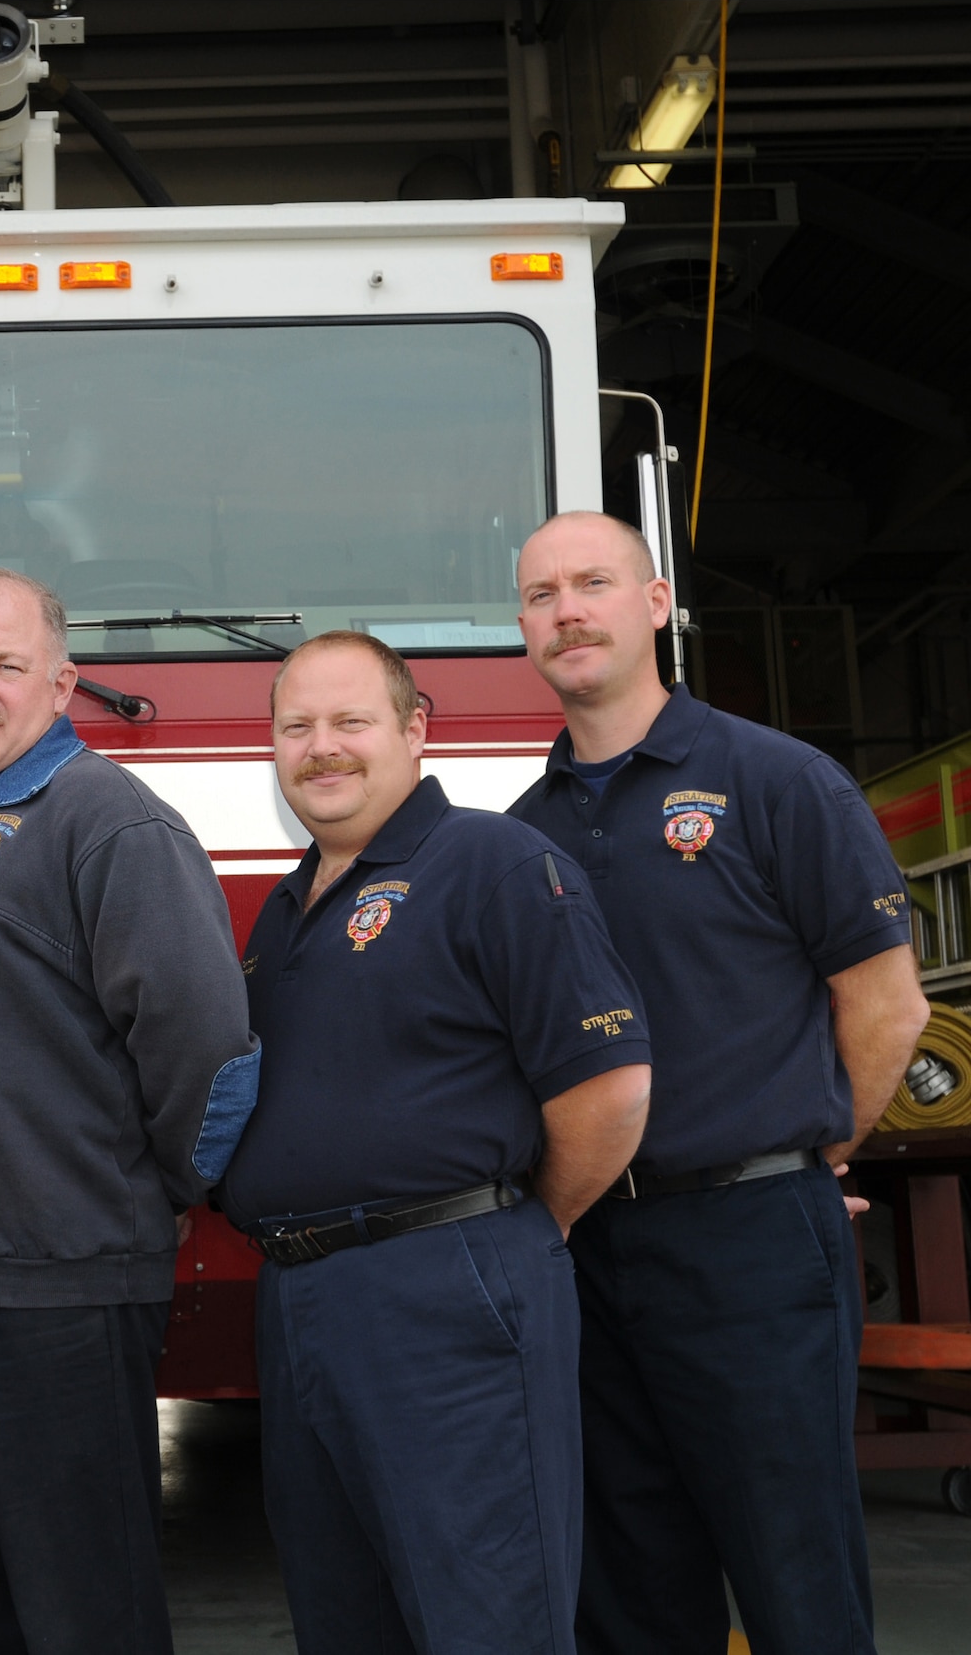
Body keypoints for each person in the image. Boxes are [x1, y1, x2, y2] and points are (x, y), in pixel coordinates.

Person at [508, 511, 931, 1655]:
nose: (567, 611)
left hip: (750, 1238)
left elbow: (888, 1005)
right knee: (626, 1583)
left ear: (653, 605)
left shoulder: (775, 779)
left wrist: (806, 1150)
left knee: (791, 1568)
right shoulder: (517, 837)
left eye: (592, 583)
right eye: (541, 595)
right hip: (586, 1247)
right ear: (522, 630)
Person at [0, 566, 260, 1655]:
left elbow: (204, 1045)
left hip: (55, 1287)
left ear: (60, 684)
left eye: (4, 666)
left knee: (78, 1608)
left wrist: (157, 1191)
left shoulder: (106, 822)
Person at [221, 629, 652, 1655]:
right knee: (345, 1619)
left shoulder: (492, 862)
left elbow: (607, 1084)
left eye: (348, 722)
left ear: (414, 730)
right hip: (303, 1302)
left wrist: (504, 1233)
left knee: (484, 1617)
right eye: (296, 727)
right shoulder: (284, 911)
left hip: (445, 1288)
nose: (320, 748)